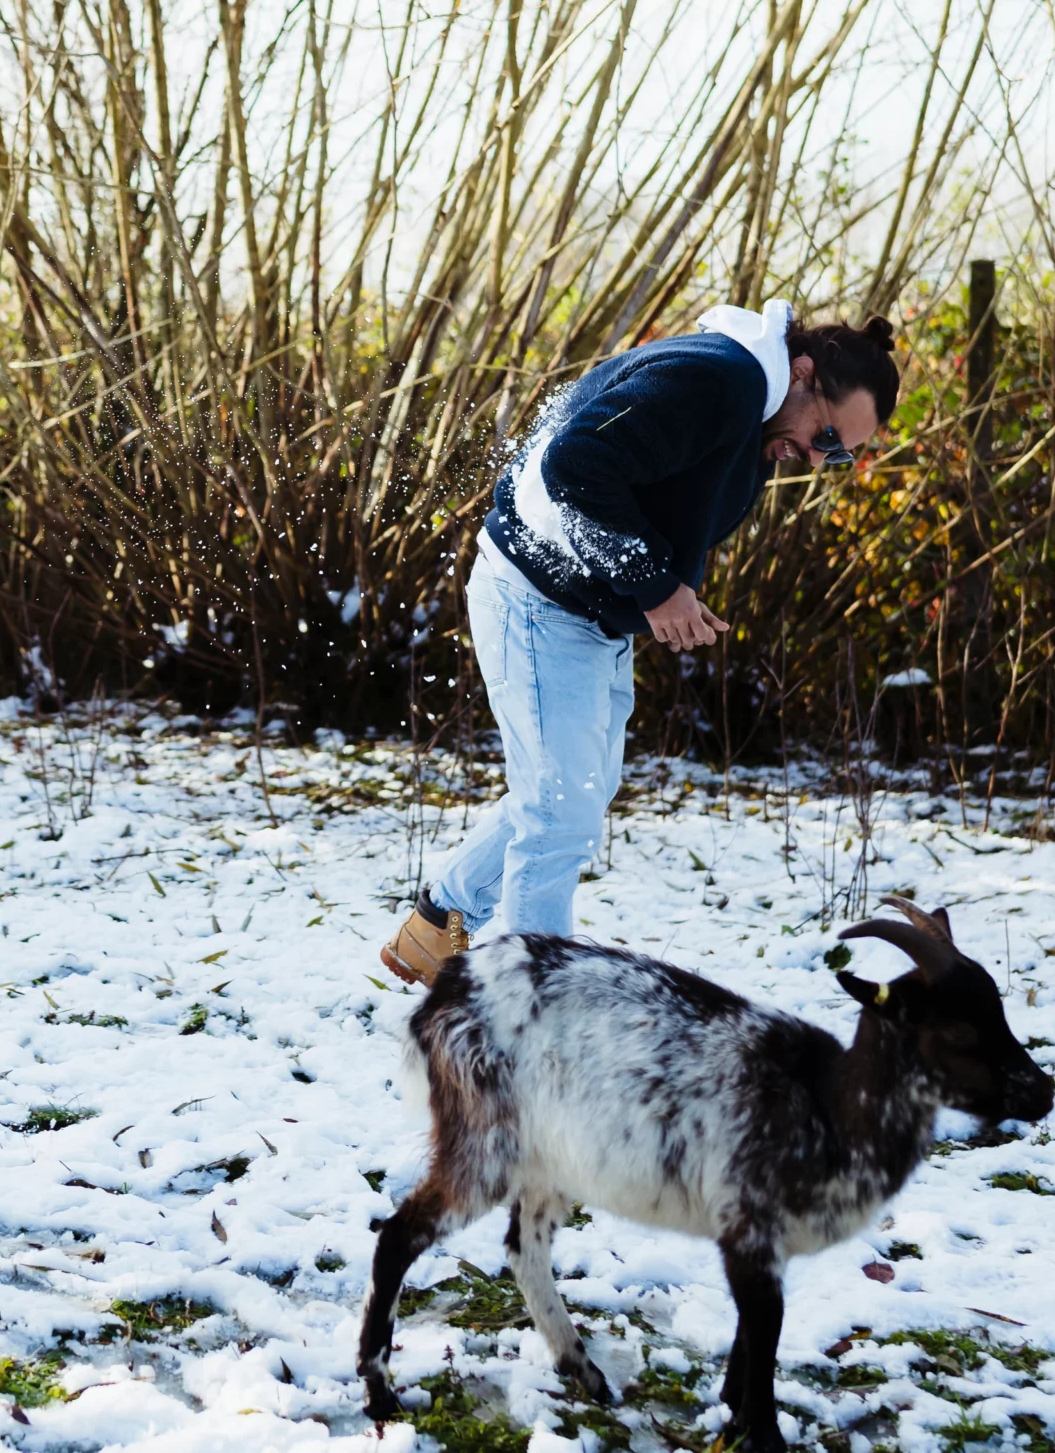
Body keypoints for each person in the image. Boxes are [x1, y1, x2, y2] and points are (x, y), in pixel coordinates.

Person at [379, 300, 898, 984]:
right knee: (559, 809)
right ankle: (534, 1014)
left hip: (584, 614)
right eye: (826, 437)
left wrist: (660, 589)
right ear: (803, 372)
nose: (813, 457)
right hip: (534, 598)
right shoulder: (721, 380)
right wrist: (656, 588)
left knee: (577, 794)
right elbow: (573, 465)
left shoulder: (756, 410)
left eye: (836, 456)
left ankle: (436, 921)